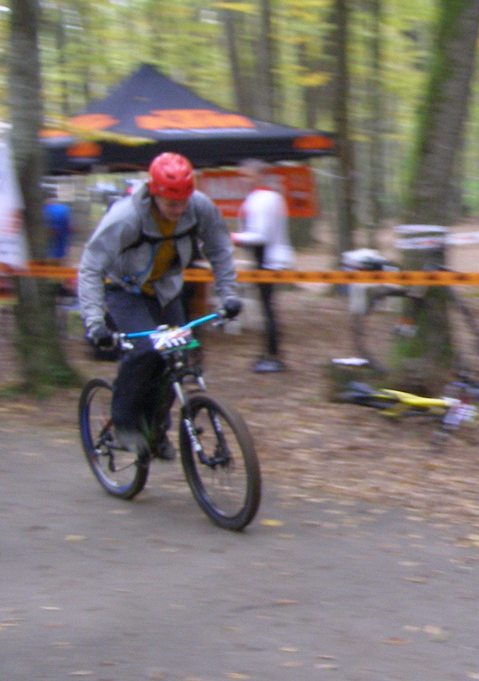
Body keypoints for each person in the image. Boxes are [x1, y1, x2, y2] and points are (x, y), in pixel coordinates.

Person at [78, 152, 242, 458]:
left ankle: (155, 430)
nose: (178, 210)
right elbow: (90, 266)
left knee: (177, 354)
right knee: (146, 350)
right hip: (124, 288)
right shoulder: (126, 217)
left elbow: (220, 248)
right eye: (171, 204)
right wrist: (94, 322)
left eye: (183, 203)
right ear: (155, 194)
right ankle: (125, 425)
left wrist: (228, 295)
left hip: (165, 290)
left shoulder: (199, 207)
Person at [233, 158, 294, 372]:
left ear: (258, 174)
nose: (243, 179)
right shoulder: (263, 197)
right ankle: (270, 351)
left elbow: (260, 235)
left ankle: (273, 354)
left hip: (268, 260)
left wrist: (234, 237)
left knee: (268, 309)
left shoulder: (264, 198)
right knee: (266, 308)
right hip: (264, 258)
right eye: (242, 175)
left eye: (247, 175)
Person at [42, 186, 73, 264]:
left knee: (52, 250)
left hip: (53, 232)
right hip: (62, 233)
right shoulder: (64, 208)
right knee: (60, 250)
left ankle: (55, 263)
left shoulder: (46, 208)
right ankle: (59, 262)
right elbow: (69, 224)